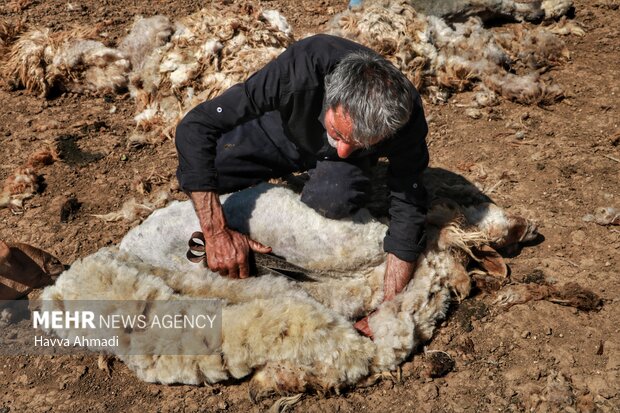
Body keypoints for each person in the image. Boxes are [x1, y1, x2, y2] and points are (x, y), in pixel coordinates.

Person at [175, 34, 429, 337]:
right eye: (340, 132)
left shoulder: (403, 116)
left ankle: (328, 170)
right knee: (208, 168)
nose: (345, 148)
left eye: (359, 143)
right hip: (282, 131)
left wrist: (389, 308)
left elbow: (408, 202)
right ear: (331, 96)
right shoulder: (300, 70)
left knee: (333, 199)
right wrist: (216, 231)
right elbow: (196, 126)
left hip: (337, 168)